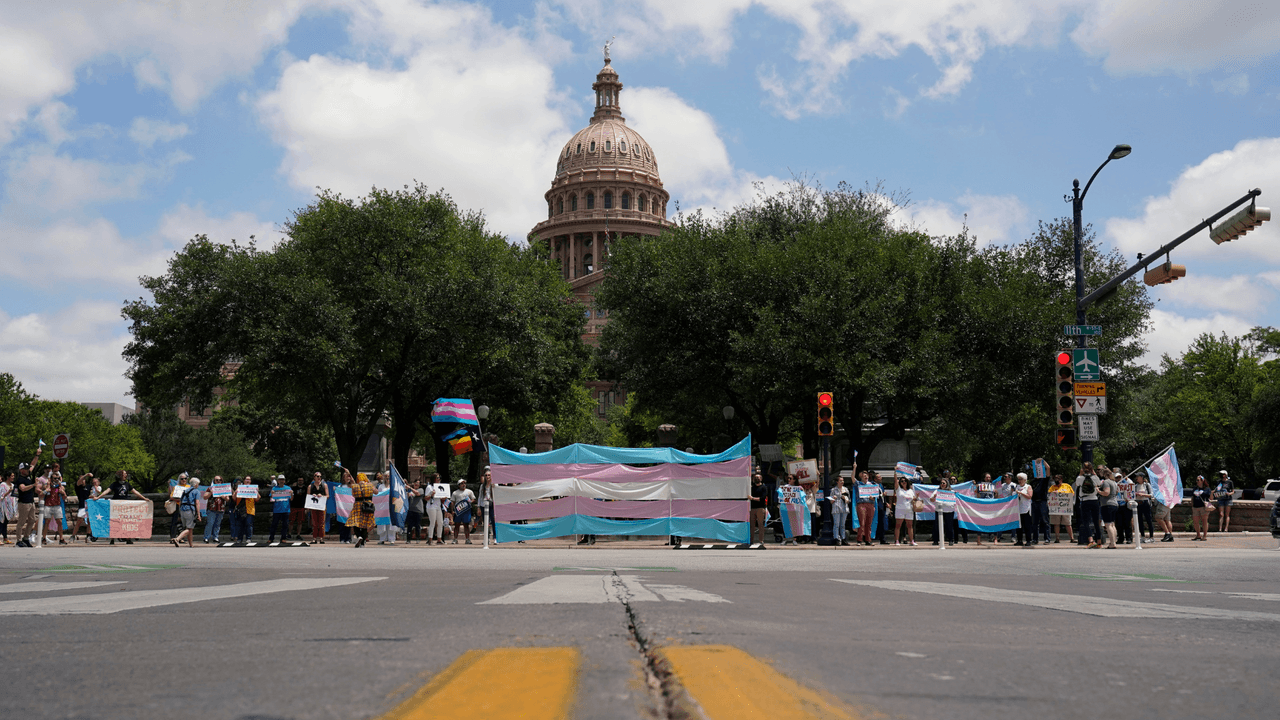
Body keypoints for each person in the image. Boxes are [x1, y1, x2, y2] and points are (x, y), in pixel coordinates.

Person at [98, 469, 148, 545]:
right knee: (115, 521)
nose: (126, 475)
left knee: (126, 521)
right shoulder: (114, 484)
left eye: (126, 474)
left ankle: (128, 538)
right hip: (116, 505)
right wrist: (98, 497)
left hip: (125, 505)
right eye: (124, 474)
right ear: (120, 475)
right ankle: (112, 538)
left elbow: (135, 492)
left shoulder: (127, 484)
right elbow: (107, 491)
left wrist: (144, 498)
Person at [1074, 462, 1102, 548]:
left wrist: (1080, 473)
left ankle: (1091, 541)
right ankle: (1099, 542)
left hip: (1085, 500)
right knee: (1096, 521)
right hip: (1094, 500)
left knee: (1086, 521)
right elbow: (1099, 484)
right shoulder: (1095, 477)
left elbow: (1077, 484)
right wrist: (1093, 473)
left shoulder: (1080, 478)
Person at [347, 472, 376, 548]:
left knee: (355, 523)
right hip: (368, 506)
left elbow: (353, 494)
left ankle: (359, 536)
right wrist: (369, 482)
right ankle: (362, 543)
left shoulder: (355, 486)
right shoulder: (370, 486)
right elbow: (376, 492)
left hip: (357, 506)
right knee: (365, 524)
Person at [171, 478, 200, 548]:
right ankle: (177, 539)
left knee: (188, 528)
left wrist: (180, 511)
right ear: (196, 484)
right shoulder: (196, 491)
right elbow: (197, 503)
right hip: (190, 510)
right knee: (189, 528)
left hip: (182, 510)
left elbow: (180, 501)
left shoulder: (185, 491)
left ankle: (191, 544)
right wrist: (198, 514)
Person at [229, 476, 259, 543]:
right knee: (239, 525)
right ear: (244, 480)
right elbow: (234, 498)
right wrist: (236, 492)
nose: (248, 480)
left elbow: (257, 499)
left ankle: (248, 538)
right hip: (240, 509)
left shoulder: (253, 488)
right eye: (246, 479)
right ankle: (240, 539)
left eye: (249, 479)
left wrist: (256, 492)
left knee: (249, 524)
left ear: (250, 481)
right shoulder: (239, 488)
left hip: (250, 509)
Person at [43, 471, 68, 545]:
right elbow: (43, 491)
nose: (56, 479)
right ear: (51, 479)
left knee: (59, 522)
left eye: (57, 478)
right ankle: (44, 537)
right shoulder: (47, 486)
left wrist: (63, 492)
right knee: (47, 521)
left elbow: (64, 497)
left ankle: (61, 538)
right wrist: (47, 486)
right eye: (54, 478)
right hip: (48, 505)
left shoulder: (60, 487)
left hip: (57, 505)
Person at [853, 471, 878, 547]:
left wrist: (873, 498)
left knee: (869, 523)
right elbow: (852, 478)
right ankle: (859, 540)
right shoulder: (858, 484)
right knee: (862, 522)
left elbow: (875, 496)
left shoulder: (872, 485)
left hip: (870, 504)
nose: (866, 477)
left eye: (866, 476)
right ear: (861, 477)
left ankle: (868, 540)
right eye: (864, 476)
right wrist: (854, 468)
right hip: (862, 504)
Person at [1097, 468, 1119, 549]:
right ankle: (1113, 542)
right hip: (1114, 503)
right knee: (1112, 524)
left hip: (1107, 504)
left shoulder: (1106, 482)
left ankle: (1112, 543)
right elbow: (1117, 492)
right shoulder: (1114, 482)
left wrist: (1098, 491)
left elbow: (1106, 492)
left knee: (1108, 524)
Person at [1048, 474, 1074, 543]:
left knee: (1068, 524)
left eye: (1058, 479)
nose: (1056, 480)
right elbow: (1049, 495)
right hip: (1056, 507)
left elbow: (1072, 494)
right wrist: (1053, 493)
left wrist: (1061, 493)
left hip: (1065, 507)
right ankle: (1057, 539)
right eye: (1055, 479)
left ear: (1061, 480)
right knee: (1056, 524)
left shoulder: (1067, 486)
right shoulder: (1052, 487)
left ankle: (1072, 538)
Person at [1029, 466, 1052, 544]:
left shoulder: (1044, 480)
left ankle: (1047, 539)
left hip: (1042, 502)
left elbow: (1048, 468)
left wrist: (1043, 461)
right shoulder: (1033, 482)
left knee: (1045, 521)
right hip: (1034, 502)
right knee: (1035, 522)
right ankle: (1035, 539)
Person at [70, 472, 95, 542]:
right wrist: (86, 475)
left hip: (89, 506)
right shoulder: (78, 487)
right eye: (82, 479)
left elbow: (92, 494)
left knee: (89, 521)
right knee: (79, 521)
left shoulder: (89, 487)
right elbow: (78, 482)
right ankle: (73, 536)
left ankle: (88, 536)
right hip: (82, 506)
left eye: (84, 479)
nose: (83, 480)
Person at [203, 476, 227, 544]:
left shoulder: (224, 489)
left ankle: (215, 537)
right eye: (217, 480)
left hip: (221, 509)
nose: (218, 481)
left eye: (220, 480)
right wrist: (210, 493)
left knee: (217, 524)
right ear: (214, 481)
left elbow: (228, 499)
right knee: (210, 523)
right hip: (212, 509)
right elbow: (205, 497)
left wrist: (223, 496)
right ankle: (206, 538)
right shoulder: (210, 488)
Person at [268, 475, 292, 543]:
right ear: (278, 481)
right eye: (280, 480)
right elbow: (271, 499)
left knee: (285, 525)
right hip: (277, 510)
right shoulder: (274, 488)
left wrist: (292, 494)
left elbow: (291, 499)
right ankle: (271, 538)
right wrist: (272, 495)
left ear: (284, 481)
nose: (281, 481)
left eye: (283, 480)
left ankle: (283, 538)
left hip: (286, 509)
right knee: (274, 524)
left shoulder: (288, 488)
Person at [934, 474, 956, 546]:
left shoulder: (951, 491)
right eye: (941, 483)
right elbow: (931, 499)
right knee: (937, 526)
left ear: (947, 484)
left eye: (944, 483)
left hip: (949, 511)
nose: (942, 484)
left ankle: (950, 540)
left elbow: (955, 500)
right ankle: (936, 540)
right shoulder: (937, 491)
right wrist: (934, 497)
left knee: (949, 526)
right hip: (939, 511)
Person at [306, 472, 328, 543]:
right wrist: (313, 495)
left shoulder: (324, 485)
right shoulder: (310, 486)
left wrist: (322, 496)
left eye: (320, 476)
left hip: (322, 506)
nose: (319, 478)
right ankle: (314, 538)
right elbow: (308, 496)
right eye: (317, 476)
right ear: (314, 477)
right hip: (314, 506)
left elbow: (327, 495)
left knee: (322, 523)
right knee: (314, 523)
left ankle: (321, 538)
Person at [451, 480, 476, 544]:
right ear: (458, 485)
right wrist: (452, 510)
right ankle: (455, 539)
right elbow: (452, 502)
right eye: (462, 483)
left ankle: (467, 539)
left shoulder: (469, 491)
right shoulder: (455, 493)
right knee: (457, 525)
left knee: (466, 525)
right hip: (458, 511)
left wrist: (470, 501)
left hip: (466, 511)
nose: (463, 484)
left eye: (464, 483)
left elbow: (473, 499)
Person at [894, 476, 917, 546]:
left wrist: (916, 498)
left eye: (905, 481)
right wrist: (895, 472)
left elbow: (913, 500)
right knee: (898, 526)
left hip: (909, 509)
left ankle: (911, 540)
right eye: (902, 481)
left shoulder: (911, 490)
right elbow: (895, 481)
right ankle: (897, 540)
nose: (904, 482)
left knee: (910, 526)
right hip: (900, 509)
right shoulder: (898, 489)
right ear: (900, 483)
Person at [829, 477, 851, 546]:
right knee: (836, 524)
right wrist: (833, 498)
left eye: (843, 480)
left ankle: (843, 538)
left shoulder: (846, 489)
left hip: (844, 508)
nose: (842, 482)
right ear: (837, 482)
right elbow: (830, 501)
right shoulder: (833, 490)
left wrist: (845, 498)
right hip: (836, 507)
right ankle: (836, 538)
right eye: (840, 481)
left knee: (843, 524)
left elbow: (849, 500)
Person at [1014, 473, 1034, 547]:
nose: (1019, 481)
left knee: (1027, 526)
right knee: (1019, 526)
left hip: (1026, 509)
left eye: (1021, 479)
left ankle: (1028, 540)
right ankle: (1019, 540)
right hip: (1018, 509)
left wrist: (1021, 493)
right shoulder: (1017, 487)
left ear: (1025, 480)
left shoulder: (1028, 487)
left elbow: (1030, 496)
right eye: (1018, 479)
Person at [1115, 470, 1135, 544]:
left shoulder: (1127, 484)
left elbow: (1131, 492)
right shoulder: (1114, 485)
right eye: (1116, 477)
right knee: (1119, 524)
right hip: (1118, 505)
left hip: (1126, 505)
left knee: (1127, 523)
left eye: (1119, 477)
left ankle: (1129, 538)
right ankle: (1120, 538)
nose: (1118, 479)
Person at [425, 476, 445, 545]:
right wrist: (431, 494)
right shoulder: (429, 487)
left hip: (438, 506)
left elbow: (441, 499)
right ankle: (430, 539)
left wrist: (444, 497)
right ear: (434, 479)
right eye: (437, 477)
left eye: (439, 477)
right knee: (432, 522)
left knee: (440, 522)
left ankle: (439, 539)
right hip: (431, 506)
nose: (439, 479)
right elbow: (426, 498)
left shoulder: (440, 486)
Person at [1134, 471, 1155, 541]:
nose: (1136, 478)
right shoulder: (1136, 486)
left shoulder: (1147, 485)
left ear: (1141, 478)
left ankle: (1151, 536)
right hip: (1138, 503)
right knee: (1140, 520)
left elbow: (1151, 495)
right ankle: (1142, 535)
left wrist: (1143, 495)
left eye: (1138, 476)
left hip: (1145, 502)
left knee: (1149, 520)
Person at [1190, 475, 1212, 541]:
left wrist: (1211, 493)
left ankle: (1204, 536)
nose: (1197, 481)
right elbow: (1192, 497)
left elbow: (1210, 498)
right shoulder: (1195, 488)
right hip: (1195, 506)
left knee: (1204, 521)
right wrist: (1192, 505)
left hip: (1203, 507)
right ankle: (1198, 535)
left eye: (1198, 480)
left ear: (1202, 481)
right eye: (1196, 480)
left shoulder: (1207, 489)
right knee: (1196, 522)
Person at [748, 474, 767, 544]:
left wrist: (752, 498)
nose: (757, 479)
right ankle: (751, 540)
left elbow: (762, 498)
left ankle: (761, 540)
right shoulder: (751, 488)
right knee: (752, 525)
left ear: (761, 479)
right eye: (755, 477)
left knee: (760, 525)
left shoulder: (764, 487)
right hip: (752, 508)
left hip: (760, 508)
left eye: (758, 477)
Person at [406, 478, 425, 543]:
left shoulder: (421, 490)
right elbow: (407, 496)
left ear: (419, 485)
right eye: (415, 483)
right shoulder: (410, 491)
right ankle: (408, 540)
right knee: (409, 526)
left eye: (418, 483)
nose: (416, 484)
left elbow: (417, 493)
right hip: (411, 510)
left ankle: (418, 539)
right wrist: (407, 489)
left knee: (417, 525)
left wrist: (410, 488)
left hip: (418, 511)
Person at [0, 470, 14, 544]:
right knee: (2, 522)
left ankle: (5, 538)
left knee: (5, 522)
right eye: (12, 476)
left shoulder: (13, 485)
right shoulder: (3, 485)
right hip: (3, 506)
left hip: (10, 507)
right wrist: (8, 492)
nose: (13, 477)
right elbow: (1, 496)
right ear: (8, 477)